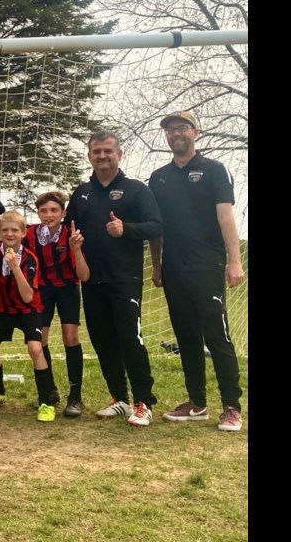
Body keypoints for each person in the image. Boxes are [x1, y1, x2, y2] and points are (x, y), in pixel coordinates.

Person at [149, 111, 245, 432]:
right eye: (170, 130)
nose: (176, 134)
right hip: (174, 269)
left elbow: (225, 217)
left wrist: (234, 260)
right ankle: (197, 403)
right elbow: (157, 228)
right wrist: (158, 265)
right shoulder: (158, 177)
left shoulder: (214, 170)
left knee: (217, 336)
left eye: (182, 128)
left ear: (196, 132)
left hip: (208, 265)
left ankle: (231, 406)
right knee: (187, 337)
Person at [66, 131, 163, 427]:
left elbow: (156, 226)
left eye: (108, 151)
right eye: (97, 151)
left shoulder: (136, 190)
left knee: (130, 339)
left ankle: (143, 402)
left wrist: (127, 229)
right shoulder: (81, 191)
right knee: (103, 340)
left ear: (119, 154)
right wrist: (72, 243)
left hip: (125, 278)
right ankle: (119, 398)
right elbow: (70, 230)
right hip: (92, 281)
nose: (102, 156)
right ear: (89, 156)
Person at [0, 211, 56, 422]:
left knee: (35, 348)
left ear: (23, 233)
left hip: (27, 310)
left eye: (14, 230)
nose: (9, 233)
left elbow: (28, 296)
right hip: (2, 309)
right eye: (5, 230)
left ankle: (46, 402)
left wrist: (14, 267)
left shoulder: (30, 259)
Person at [21, 192, 91, 417]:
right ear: (38, 213)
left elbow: (84, 275)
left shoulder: (72, 236)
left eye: (53, 210)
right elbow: (8, 234)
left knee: (70, 337)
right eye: (43, 211)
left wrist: (76, 249)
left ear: (63, 213)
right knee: (39, 339)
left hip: (68, 288)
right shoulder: (30, 233)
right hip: (42, 290)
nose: (48, 215)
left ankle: (75, 397)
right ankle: (49, 391)